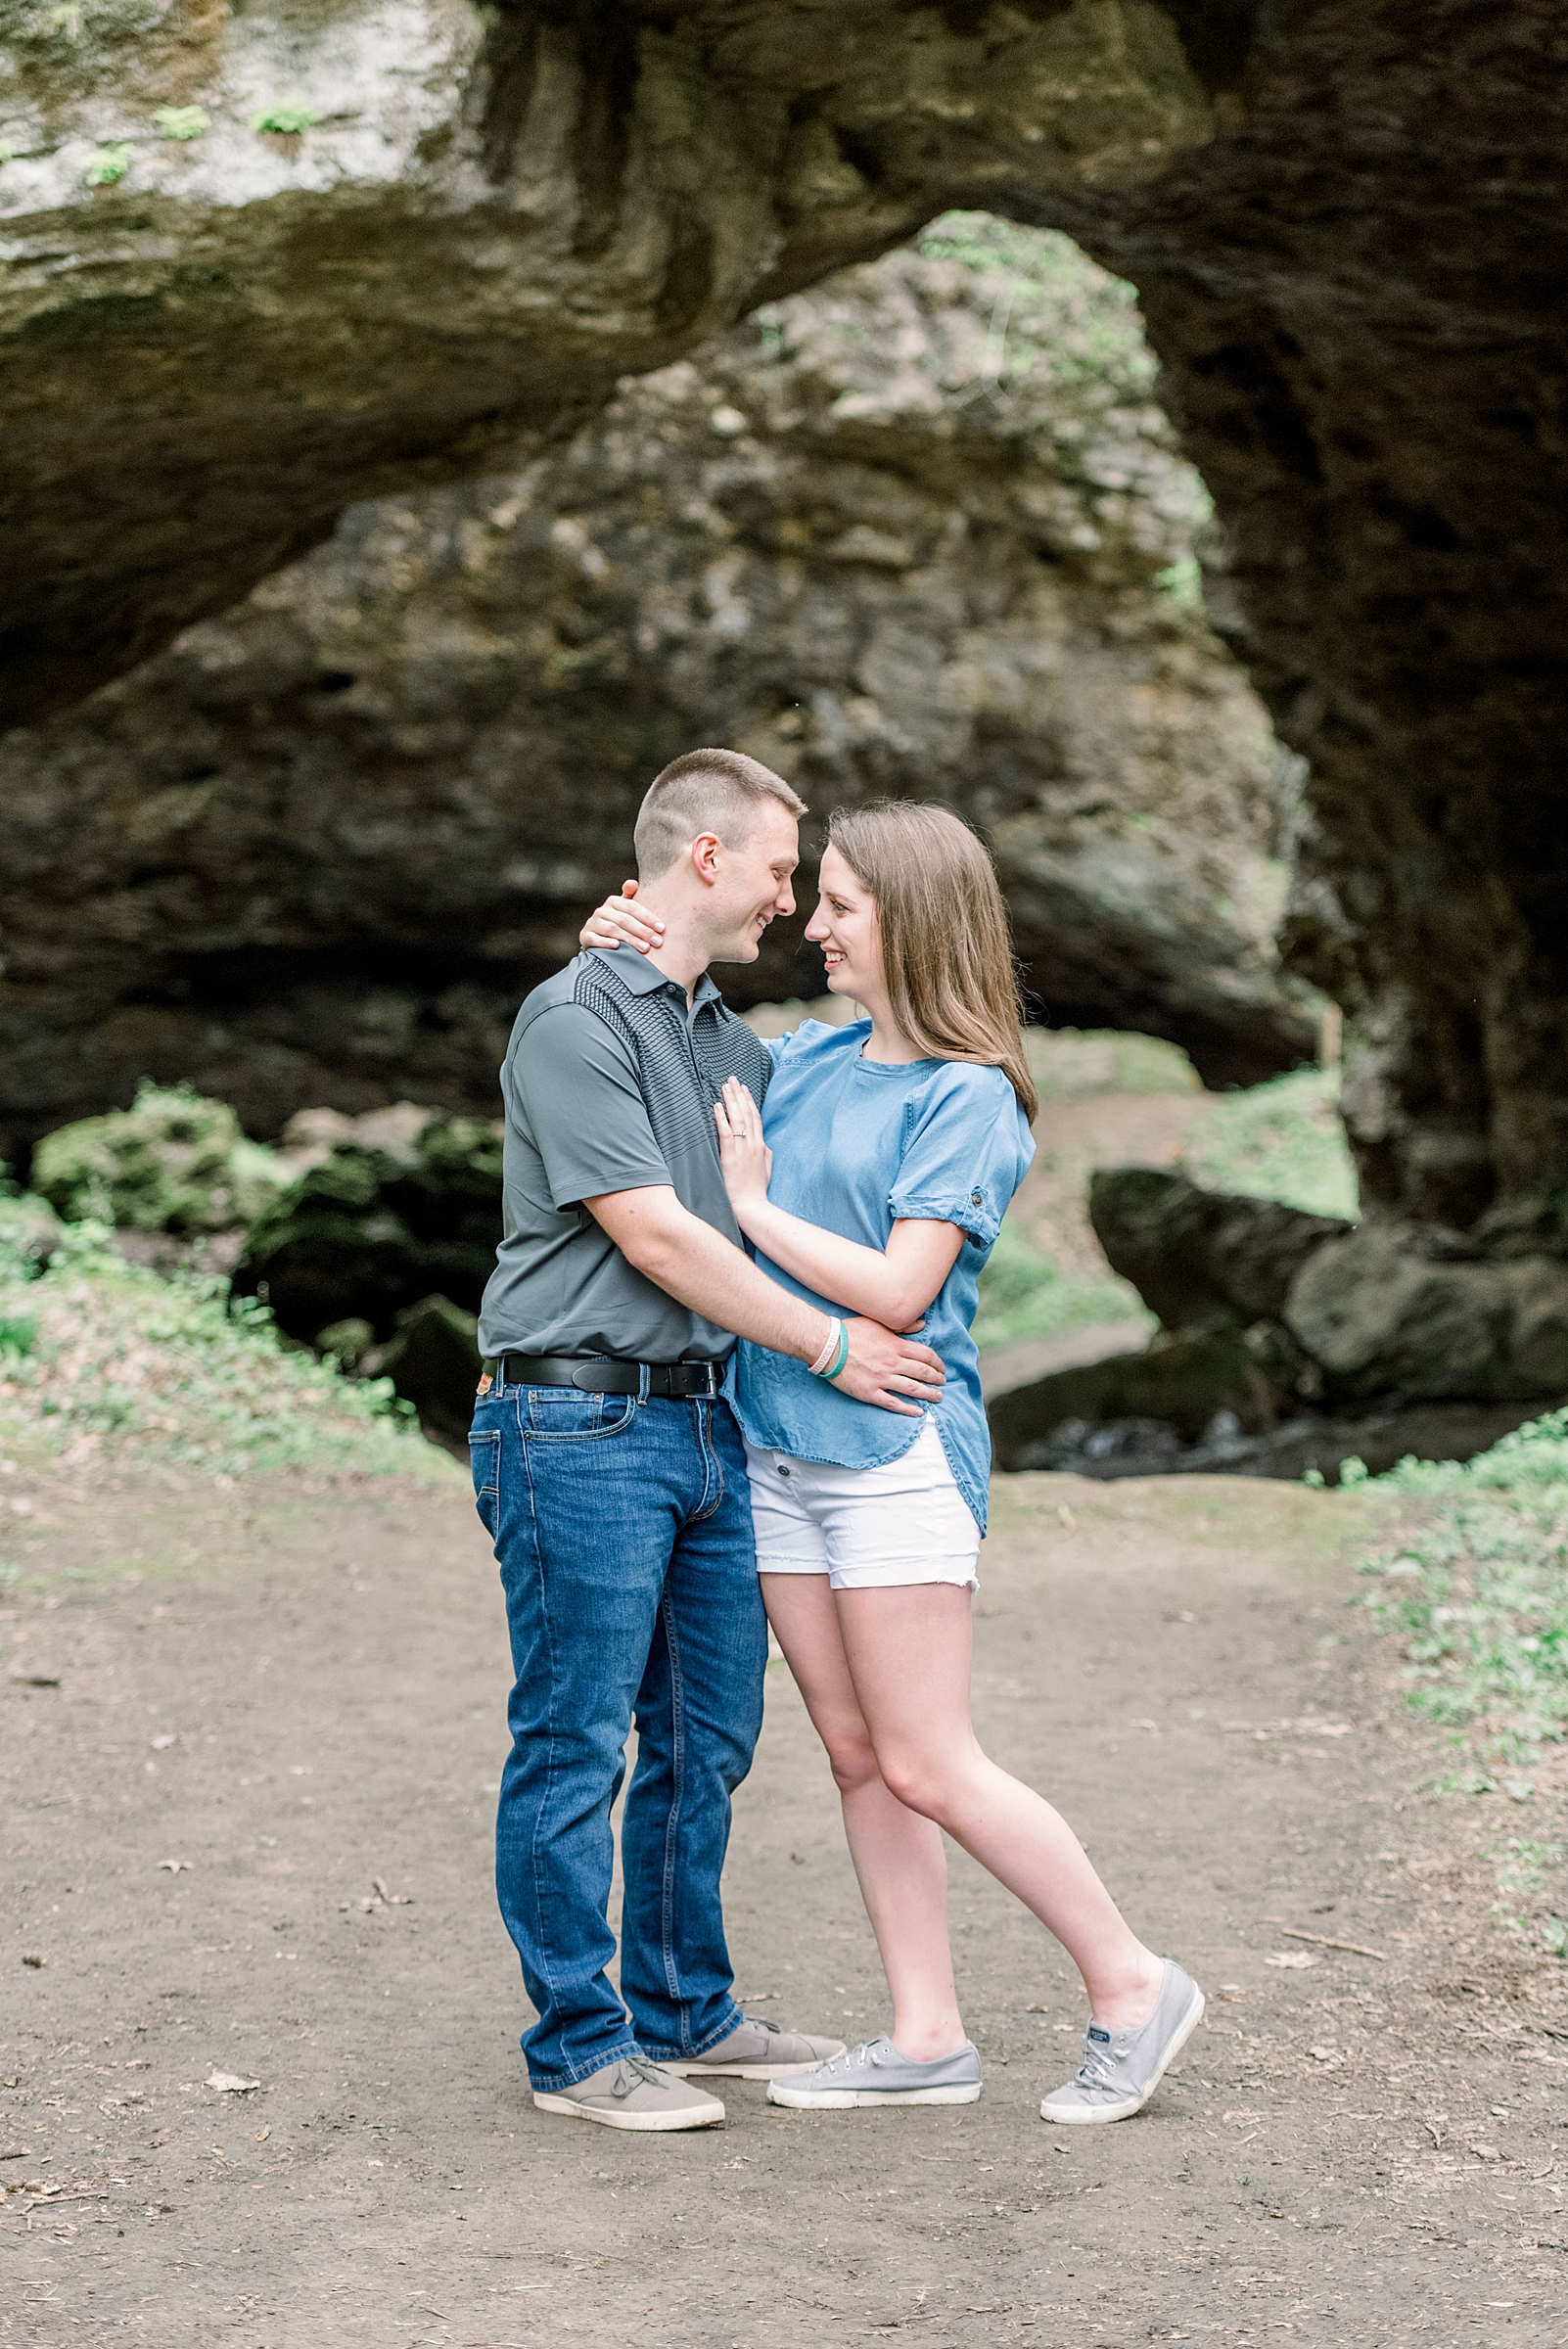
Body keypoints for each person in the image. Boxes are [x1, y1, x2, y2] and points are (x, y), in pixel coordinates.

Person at [580, 801, 1204, 2123]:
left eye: (844, 905)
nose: (813, 923)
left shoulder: (967, 1096)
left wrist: (752, 1214)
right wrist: (624, 948)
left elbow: (904, 1290)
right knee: (859, 1757)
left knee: (927, 1760)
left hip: (896, 1453)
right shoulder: (805, 1060)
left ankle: (1132, 1983)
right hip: (778, 1447)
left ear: (911, 922)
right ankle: (925, 2038)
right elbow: (669, 1049)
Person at [473, 748, 950, 2135]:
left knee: (705, 1734)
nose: (791, 908)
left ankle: (685, 2013)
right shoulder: (573, 1020)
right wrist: (829, 1344)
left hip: (701, 1430)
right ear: (701, 860)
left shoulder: (723, 1040)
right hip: (574, 1419)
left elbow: (854, 1092)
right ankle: (577, 2047)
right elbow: (660, 1235)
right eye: (778, 873)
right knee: (574, 1741)